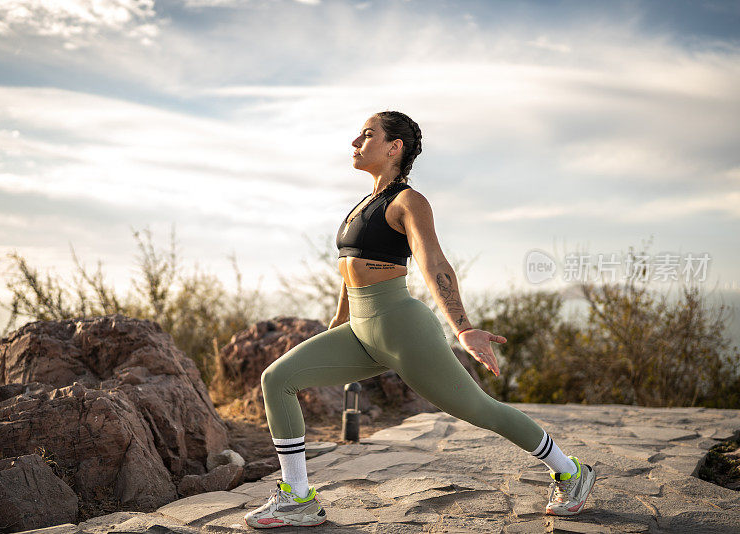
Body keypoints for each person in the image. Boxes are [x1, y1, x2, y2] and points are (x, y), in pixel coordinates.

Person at [244, 111, 596, 529]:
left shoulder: (409, 201)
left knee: (483, 411)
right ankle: (298, 498)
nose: (355, 142)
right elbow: (349, 269)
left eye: (367, 135)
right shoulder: (364, 203)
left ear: (395, 148)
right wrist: (337, 324)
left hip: (401, 328)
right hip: (359, 329)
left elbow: (433, 263)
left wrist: (463, 327)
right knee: (276, 379)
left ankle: (571, 472)